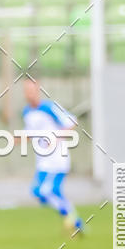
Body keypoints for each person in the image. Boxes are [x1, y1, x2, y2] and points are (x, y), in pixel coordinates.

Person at [21, 78, 84, 233]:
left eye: (32, 90)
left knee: (45, 191)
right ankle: (73, 220)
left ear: (38, 90)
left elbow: (72, 122)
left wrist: (56, 139)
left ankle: (74, 220)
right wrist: (17, 139)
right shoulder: (27, 112)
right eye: (26, 91)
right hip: (43, 161)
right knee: (40, 192)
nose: (29, 94)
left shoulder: (49, 107)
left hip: (57, 159)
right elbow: (31, 133)